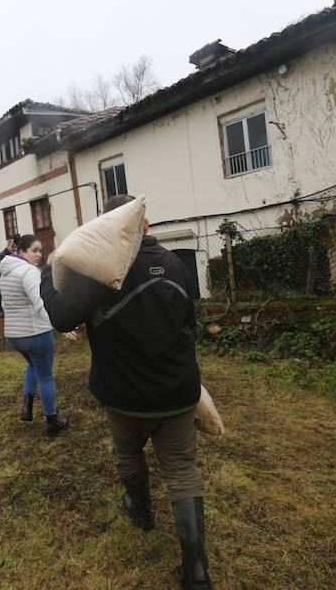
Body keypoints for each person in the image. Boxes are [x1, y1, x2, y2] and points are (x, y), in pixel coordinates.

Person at [40, 195, 211, 589]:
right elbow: (190, 326)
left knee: (128, 453)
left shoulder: (98, 271)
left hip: (124, 395)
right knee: (182, 470)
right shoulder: (174, 265)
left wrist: (48, 274)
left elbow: (62, 315)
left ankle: (141, 510)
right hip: (178, 391)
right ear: (145, 225)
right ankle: (196, 567)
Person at [0, 234, 73, 436]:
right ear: (21, 251)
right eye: (34, 250)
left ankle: (27, 406)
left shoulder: (6, 272)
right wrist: (60, 325)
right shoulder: (29, 272)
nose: (39, 254)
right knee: (47, 377)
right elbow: (40, 302)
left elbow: (5, 305)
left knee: (32, 366)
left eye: (41, 250)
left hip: (15, 337)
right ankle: (52, 421)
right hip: (36, 334)